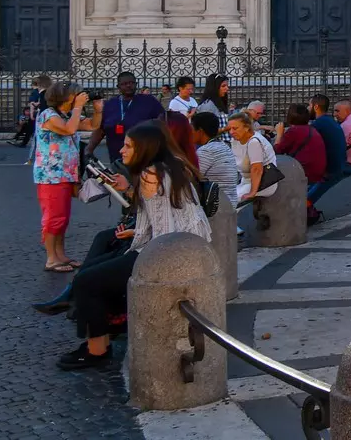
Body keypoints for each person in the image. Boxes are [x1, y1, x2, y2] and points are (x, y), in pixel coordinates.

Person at [56, 120, 210, 371]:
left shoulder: (152, 174)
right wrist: (134, 222)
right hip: (180, 247)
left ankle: (97, 350)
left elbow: (162, 223)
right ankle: (102, 331)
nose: (121, 151)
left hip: (167, 255)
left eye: (128, 146)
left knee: (87, 280)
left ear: (145, 149)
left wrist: (134, 214)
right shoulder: (170, 166)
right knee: (92, 269)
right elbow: (162, 214)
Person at [32, 80, 89, 272]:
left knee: (63, 218)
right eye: (76, 94)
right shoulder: (48, 115)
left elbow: (91, 125)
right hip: (51, 175)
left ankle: (60, 255)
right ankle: (51, 259)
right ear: (65, 97)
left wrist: (97, 109)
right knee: (54, 217)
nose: (79, 97)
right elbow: (69, 129)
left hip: (66, 174)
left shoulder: (64, 115)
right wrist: (79, 107)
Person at [98, 71, 162, 161]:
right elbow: (100, 130)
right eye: (124, 84)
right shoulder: (110, 104)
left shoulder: (149, 101)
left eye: (131, 83)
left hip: (143, 157)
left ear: (136, 84)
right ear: (118, 87)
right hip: (117, 157)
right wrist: (89, 149)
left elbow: (162, 123)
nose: (128, 86)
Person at [305, 94, 348, 222]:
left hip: (328, 170)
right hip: (337, 164)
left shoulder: (318, 124)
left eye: (309, 105)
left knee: (306, 195)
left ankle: (301, 211)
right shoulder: (329, 121)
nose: (308, 108)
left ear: (316, 107)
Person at [274, 103, 326, 201]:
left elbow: (276, 151)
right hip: (317, 170)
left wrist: (279, 134)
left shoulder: (293, 131)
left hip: (304, 172)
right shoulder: (311, 129)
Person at [225, 110, 277, 206]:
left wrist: (252, 192)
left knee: (229, 202)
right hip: (246, 181)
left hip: (263, 183)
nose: (231, 132)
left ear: (246, 128)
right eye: (229, 129)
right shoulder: (235, 141)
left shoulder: (254, 142)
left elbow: (257, 169)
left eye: (235, 128)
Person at [192, 109, 239, 207]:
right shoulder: (222, 146)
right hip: (229, 203)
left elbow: (191, 180)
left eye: (191, 129)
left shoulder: (207, 151)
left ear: (200, 131)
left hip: (217, 208)